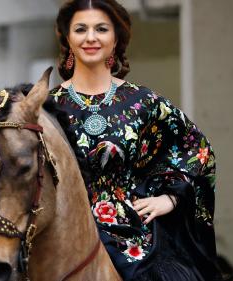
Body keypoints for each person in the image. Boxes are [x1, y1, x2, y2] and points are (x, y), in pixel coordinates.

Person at [47, 0, 223, 280]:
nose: (90, 37)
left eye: (101, 29)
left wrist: (171, 198)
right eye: (81, 29)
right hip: (61, 236)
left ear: (116, 38)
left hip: (135, 240)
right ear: (68, 38)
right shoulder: (46, 106)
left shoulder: (144, 103)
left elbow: (198, 150)